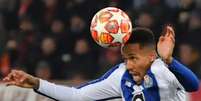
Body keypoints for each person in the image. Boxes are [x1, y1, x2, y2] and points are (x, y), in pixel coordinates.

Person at [2, 26, 200, 101]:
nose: (128, 65)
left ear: (150, 57)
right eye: (125, 58)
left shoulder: (164, 70)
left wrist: (169, 60)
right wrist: (36, 83)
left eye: (133, 58)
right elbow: (76, 96)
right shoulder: (121, 75)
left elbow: (194, 85)